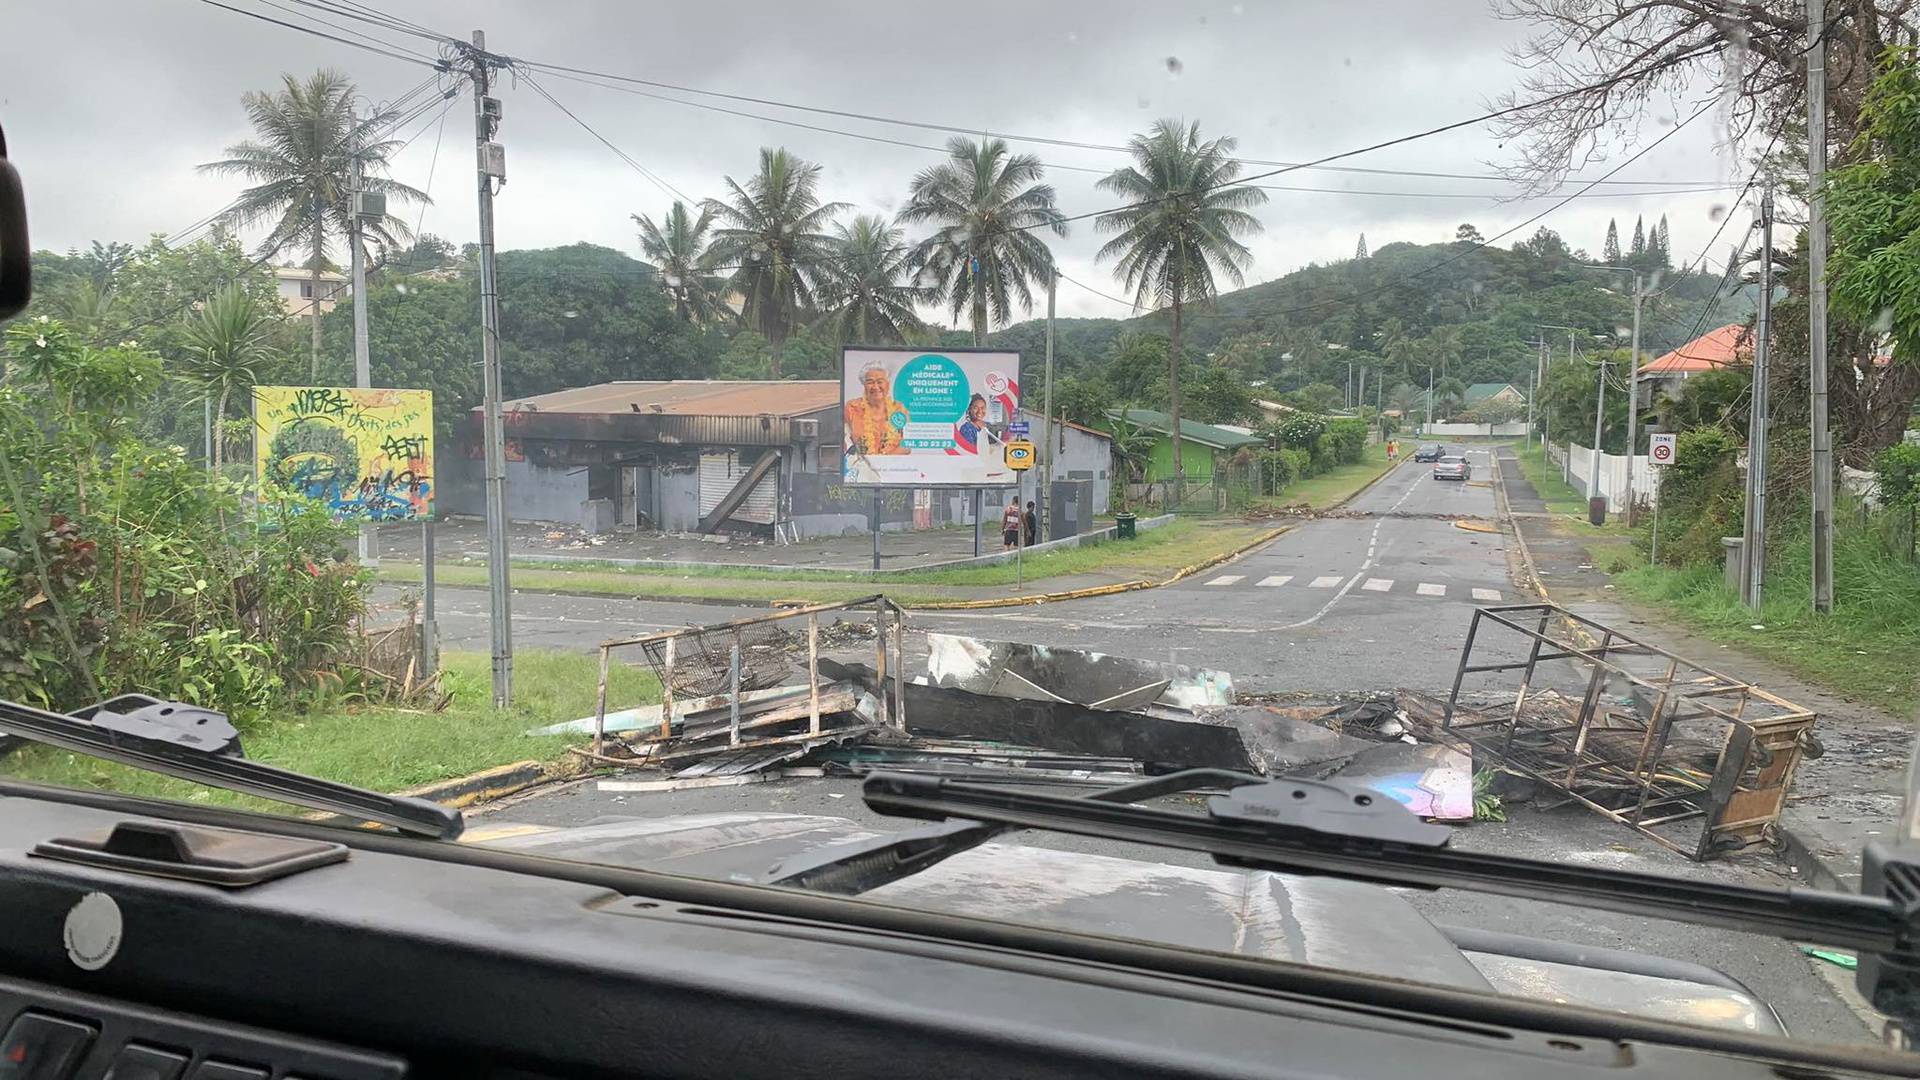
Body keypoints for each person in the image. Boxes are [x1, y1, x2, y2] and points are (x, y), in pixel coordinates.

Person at [844, 363, 909, 455]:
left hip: (893, 466)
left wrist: (883, 462)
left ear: (887, 384)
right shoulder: (852, 407)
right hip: (862, 466)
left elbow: (907, 445)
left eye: (880, 381)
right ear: (864, 385)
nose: (875, 387)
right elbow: (843, 439)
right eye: (870, 382)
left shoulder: (900, 409)